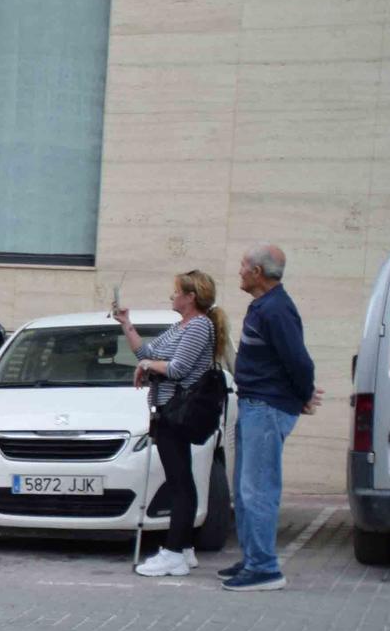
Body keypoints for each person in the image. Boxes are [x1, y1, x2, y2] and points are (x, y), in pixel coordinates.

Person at [221, 245, 320, 592]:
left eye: (243, 265)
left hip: (265, 408)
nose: (239, 270)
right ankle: (252, 558)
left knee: (258, 489)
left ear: (258, 273)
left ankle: (264, 568)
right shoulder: (263, 306)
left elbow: (299, 361)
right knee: (245, 490)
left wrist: (303, 395)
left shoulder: (276, 310)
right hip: (253, 406)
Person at [119, 272, 229, 580]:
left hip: (178, 410)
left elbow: (178, 369)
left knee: (179, 481)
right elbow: (148, 353)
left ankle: (173, 553)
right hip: (165, 410)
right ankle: (185, 548)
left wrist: (146, 367)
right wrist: (127, 325)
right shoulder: (179, 326)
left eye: (176, 292)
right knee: (180, 478)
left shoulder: (198, 326)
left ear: (191, 297)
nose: (172, 296)